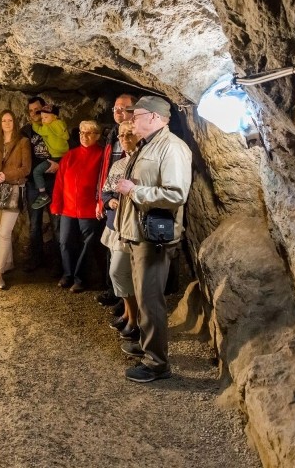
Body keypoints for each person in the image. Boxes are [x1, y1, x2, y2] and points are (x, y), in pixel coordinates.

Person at [114, 96, 192, 383]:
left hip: (154, 238)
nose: (131, 118)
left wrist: (135, 191)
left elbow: (176, 194)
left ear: (156, 118)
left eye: (138, 114)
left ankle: (157, 363)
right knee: (144, 297)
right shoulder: (148, 145)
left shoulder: (171, 149)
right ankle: (148, 345)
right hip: (139, 234)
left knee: (150, 300)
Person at [50, 120, 105, 293]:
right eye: (82, 132)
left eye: (89, 133)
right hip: (69, 207)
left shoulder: (102, 155)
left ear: (97, 136)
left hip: (89, 209)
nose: (84, 136)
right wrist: (57, 204)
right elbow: (59, 182)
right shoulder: (70, 155)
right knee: (65, 242)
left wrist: (100, 204)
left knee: (87, 244)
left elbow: (103, 182)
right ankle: (68, 274)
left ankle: (80, 278)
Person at [95, 94, 137, 310]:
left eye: (124, 108)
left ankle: (127, 302)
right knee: (113, 250)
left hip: (131, 208)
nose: (118, 112)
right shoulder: (112, 135)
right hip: (112, 200)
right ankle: (117, 293)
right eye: (116, 108)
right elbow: (106, 170)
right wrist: (101, 200)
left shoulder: (139, 145)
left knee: (126, 257)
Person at [99, 122, 140, 340]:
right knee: (120, 275)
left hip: (129, 228)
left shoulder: (140, 163)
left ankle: (135, 320)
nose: (124, 137)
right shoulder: (118, 164)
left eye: (129, 134)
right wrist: (110, 202)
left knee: (121, 273)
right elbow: (106, 191)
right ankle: (127, 313)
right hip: (115, 225)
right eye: (121, 134)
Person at [0, 109, 31, 289]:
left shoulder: (23, 142)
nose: (7, 123)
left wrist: (5, 175)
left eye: (10, 120)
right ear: (0, 123)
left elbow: (26, 169)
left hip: (13, 189)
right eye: (4, 120)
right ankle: (8, 263)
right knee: (2, 232)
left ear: (15, 123)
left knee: (4, 233)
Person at [21, 97, 59, 272]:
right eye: (31, 111)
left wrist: (59, 164)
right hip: (34, 185)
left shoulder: (53, 125)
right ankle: (36, 258)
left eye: (37, 109)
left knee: (56, 222)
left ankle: (58, 262)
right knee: (34, 223)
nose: (34, 113)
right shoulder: (26, 132)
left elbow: (67, 147)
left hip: (54, 182)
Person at [30, 104, 69, 210]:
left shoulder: (48, 127)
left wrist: (34, 122)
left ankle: (43, 195)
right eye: (42, 118)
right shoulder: (62, 125)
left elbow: (39, 130)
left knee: (37, 172)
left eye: (45, 117)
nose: (43, 120)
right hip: (65, 157)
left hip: (55, 157)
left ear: (54, 117)